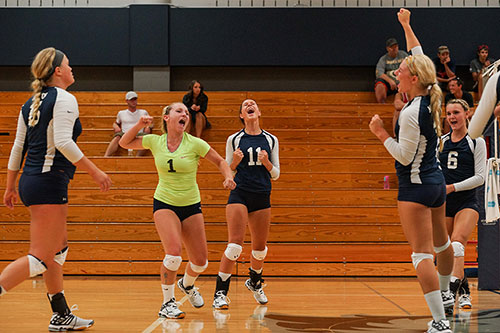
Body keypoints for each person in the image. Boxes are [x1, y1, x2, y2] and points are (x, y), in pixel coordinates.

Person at [1, 47, 112, 331]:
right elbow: (64, 142)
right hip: (48, 182)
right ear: (58, 70)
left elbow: (17, 148)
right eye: (69, 64)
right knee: (40, 257)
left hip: (35, 181)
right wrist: (95, 171)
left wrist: (11, 186)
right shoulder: (64, 98)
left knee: (57, 251)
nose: (72, 69)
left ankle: (61, 314)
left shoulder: (31, 103)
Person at [369, 9, 454, 333]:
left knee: (421, 256)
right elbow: (419, 55)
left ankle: (440, 321)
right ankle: (446, 293)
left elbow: (404, 157)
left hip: (415, 187)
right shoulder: (433, 95)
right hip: (435, 182)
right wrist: (406, 25)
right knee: (442, 244)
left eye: (402, 70)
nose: (398, 71)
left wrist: (380, 133)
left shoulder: (409, 113)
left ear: (412, 79)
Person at [119, 102, 236, 319]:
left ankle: (187, 284)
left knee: (201, 262)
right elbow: (125, 143)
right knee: (173, 254)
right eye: (179, 111)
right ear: (166, 118)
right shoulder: (155, 141)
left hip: (191, 205)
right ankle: (167, 303)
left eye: (186, 112)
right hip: (164, 203)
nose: (185, 114)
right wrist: (140, 125)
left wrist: (228, 176)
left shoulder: (195, 143)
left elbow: (220, 161)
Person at [212, 99, 280, 310]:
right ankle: (220, 293)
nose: (249, 105)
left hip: (262, 194)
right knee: (234, 246)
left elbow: (276, 174)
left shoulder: (271, 139)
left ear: (258, 112)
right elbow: (228, 170)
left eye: (253, 104)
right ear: (242, 115)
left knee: (259, 250)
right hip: (240, 193)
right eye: (244, 105)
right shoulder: (234, 139)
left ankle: (255, 282)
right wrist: (233, 163)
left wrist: (267, 162)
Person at [439, 99, 486, 313]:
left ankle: (448, 295)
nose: (452, 117)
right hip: (444, 202)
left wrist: (453, 187)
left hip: (467, 201)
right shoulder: (441, 142)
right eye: (449, 113)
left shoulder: (476, 142)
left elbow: (480, 177)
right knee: (446, 252)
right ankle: (464, 289)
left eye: (456, 112)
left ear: (467, 114)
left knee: (458, 243)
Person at [104, 91, 152, 156]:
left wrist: (148, 127)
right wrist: (116, 126)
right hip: (125, 133)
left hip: (139, 133)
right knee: (117, 138)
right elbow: (116, 123)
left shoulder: (143, 112)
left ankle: (137, 157)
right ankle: (106, 156)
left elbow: (151, 123)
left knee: (146, 138)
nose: (134, 102)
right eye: (131, 100)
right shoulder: (121, 113)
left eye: (135, 99)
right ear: (127, 101)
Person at [375, 38, 408, 103]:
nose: (394, 48)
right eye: (391, 47)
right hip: (390, 85)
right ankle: (382, 105)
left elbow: (411, 68)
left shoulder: (404, 55)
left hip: (402, 82)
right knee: (379, 84)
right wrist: (390, 81)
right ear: (387, 48)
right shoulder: (383, 59)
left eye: (395, 46)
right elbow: (379, 73)